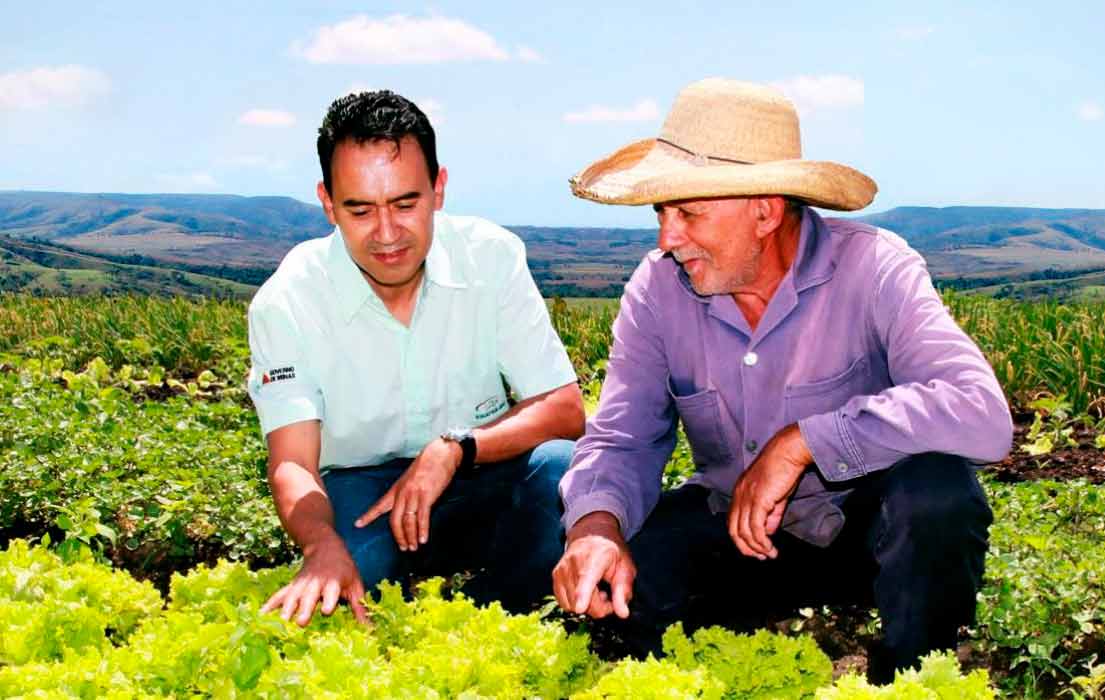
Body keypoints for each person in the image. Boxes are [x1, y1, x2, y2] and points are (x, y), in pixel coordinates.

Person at [553, 78, 1012, 682]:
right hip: (733, 531)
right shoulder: (658, 288)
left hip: (863, 537)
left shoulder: (874, 268)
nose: (668, 237)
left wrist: (803, 442)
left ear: (766, 210)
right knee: (624, 587)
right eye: (661, 213)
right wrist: (595, 528)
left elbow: (980, 412)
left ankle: (912, 676)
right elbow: (623, 438)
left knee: (938, 493)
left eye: (688, 213)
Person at [247, 90, 584, 626]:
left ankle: (490, 617)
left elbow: (565, 409)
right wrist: (318, 546)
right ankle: (447, 612)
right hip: (362, 490)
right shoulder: (287, 299)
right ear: (328, 202)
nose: (386, 234)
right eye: (360, 209)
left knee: (562, 472)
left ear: (439, 189)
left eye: (406, 204)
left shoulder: (492, 257)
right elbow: (293, 461)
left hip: (479, 471)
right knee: (350, 573)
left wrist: (454, 449)